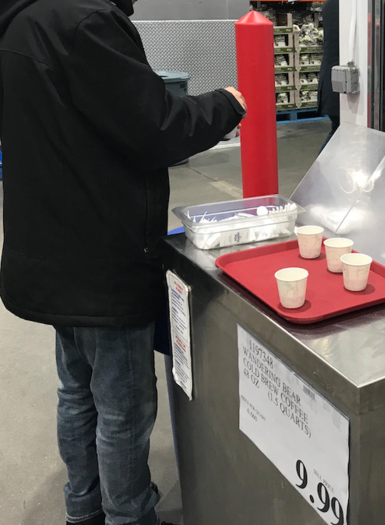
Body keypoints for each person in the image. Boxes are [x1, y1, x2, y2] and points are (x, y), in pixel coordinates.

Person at [0, 0, 247, 524]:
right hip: (101, 260)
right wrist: (226, 103)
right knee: (123, 408)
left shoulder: (23, 20)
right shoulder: (84, 22)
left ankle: (84, 507)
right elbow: (157, 125)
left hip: (52, 253)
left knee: (77, 392)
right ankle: (130, 516)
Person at [318, 0, 340, 150]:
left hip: (333, 80)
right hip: (339, 82)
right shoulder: (341, 5)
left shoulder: (332, 3)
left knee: (338, 131)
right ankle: (318, 173)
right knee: (339, 132)